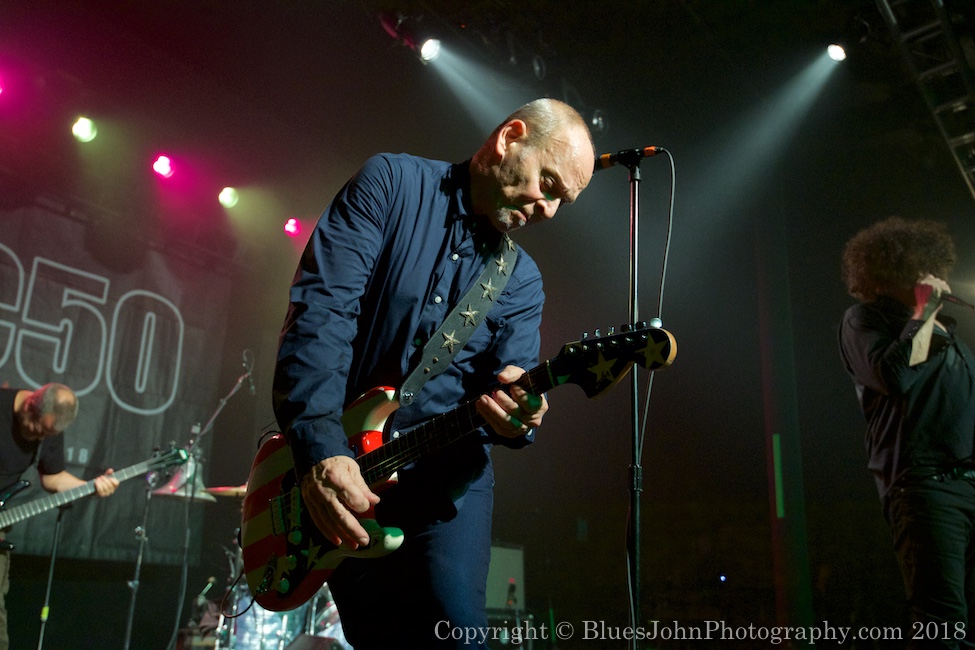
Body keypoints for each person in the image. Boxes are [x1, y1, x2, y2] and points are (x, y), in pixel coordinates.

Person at [272, 98, 595, 648]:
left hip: (445, 492)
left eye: (563, 200)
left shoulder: (521, 281)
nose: (549, 210)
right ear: (509, 137)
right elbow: (321, 316)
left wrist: (520, 414)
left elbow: (508, 392)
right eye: (548, 182)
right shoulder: (390, 184)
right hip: (348, 471)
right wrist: (321, 450)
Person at [839, 216, 975, 648]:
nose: (936, 279)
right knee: (943, 625)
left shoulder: (952, 340)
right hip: (925, 489)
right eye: (923, 271)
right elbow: (895, 375)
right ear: (892, 274)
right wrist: (925, 311)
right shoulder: (865, 320)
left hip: (969, 483)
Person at [0, 382, 119, 650]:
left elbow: (53, 478)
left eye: (48, 434)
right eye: (39, 430)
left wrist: (91, 488)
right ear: (30, 405)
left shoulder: (48, 428)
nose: (41, 438)